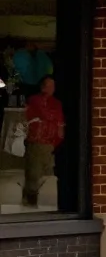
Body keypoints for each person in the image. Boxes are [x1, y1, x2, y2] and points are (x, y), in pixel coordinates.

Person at [24, 75, 62, 208]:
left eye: (53, 86)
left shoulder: (56, 103)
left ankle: (45, 203)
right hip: (37, 141)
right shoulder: (35, 100)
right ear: (42, 87)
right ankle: (30, 202)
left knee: (48, 174)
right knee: (34, 173)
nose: (51, 89)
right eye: (48, 85)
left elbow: (59, 120)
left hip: (51, 143)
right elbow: (46, 114)